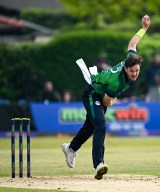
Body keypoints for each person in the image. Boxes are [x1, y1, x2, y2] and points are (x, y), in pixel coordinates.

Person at [61, 15, 151, 180]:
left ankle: (71, 148)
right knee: (100, 125)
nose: (135, 74)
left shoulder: (130, 59)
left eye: (137, 71)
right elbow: (106, 101)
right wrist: (115, 100)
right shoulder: (116, 83)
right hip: (92, 94)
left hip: (101, 94)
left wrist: (144, 29)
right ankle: (98, 165)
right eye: (132, 71)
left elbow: (132, 44)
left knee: (90, 127)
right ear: (126, 69)